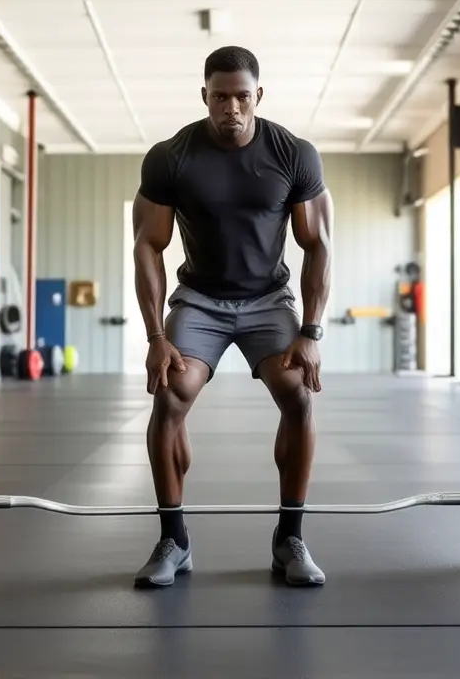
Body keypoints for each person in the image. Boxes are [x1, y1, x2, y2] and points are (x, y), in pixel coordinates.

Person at [130, 45, 334, 588]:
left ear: (258, 95)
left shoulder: (294, 154)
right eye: (220, 97)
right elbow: (148, 245)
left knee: (298, 393)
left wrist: (311, 332)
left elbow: (318, 244)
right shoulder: (171, 157)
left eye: (242, 96)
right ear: (205, 96)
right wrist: (155, 335)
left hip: (268, 300)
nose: (232, 108)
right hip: (200, 300)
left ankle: (290, 538)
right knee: (170, 394)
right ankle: (173, 540)